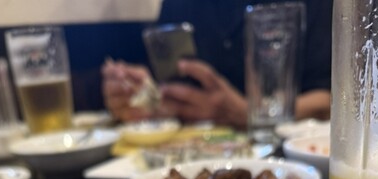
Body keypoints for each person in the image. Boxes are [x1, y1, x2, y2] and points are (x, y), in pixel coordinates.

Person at [101, 0, 333, 127]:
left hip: (288, 155)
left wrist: (248, 114)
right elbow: (166, 87)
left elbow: (329, 100)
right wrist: (140, 96)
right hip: (191, 154)